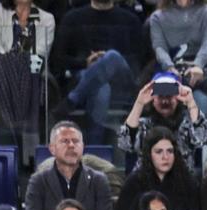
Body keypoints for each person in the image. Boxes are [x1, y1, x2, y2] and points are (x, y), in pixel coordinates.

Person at [51, 0, 147, 143]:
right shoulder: (72, 18)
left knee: (112, 56)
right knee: (102, 88)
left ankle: (72, 100)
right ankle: (95, 150)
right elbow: (57, 59)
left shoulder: (130, 19)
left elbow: (139, 59)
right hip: (84, 78)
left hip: (121, 83)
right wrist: (85, 63)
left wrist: (106, 61)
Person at [24, 121, 115, 210]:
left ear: (83, 147)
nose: (71, 145)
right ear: (52, 148)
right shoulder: (38, 181)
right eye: (65, 141)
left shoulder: (99, 181)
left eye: (75, 141)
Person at [112, 127, 201, 210]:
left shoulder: (188, 182)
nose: (165, 157)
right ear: (149, 154)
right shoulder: (134, 182)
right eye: (159, 152)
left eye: (170, 151)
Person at [118, 72, 207, 175]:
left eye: (169, 96)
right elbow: (125, 143)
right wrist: (139, 103)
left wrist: (191, 103)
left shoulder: (187, 125)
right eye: (160, 96)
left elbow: (202, 139)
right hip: (147, 181)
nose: (165, 101)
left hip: (181, 181)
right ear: (153, 99)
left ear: (177, 98)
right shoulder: (143, 125)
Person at [146, 0, 207, 116]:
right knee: (162, 101)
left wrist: (198, 65)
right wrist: (169, 67)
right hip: (173, 69)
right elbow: (159, 47)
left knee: (200, 100)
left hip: (205, 69)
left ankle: (192, 131)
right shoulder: (157, 17)